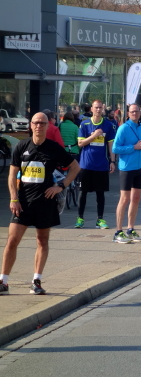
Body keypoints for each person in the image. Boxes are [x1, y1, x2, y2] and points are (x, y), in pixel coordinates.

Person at [0, 112, 80, 295]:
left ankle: (36, 281)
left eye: (42, 123)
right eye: (36, 123)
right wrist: (14, 199)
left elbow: (75, 168)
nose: (38, 126)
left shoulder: (54, 148)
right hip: (23, 203)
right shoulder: (22, 146)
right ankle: (3, 282)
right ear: (31, 125)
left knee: (42, 241)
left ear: (47, 126)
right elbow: (12, 175)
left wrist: (60, 186)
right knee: (12, 240)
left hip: (45, 202)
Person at [75, 100, 117, 230]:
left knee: (100, 193)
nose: (98, 110)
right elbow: (80, 144)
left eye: (100, 108)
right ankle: (80, 218)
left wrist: (112, 161)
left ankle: (100, 219)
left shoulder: (108, 125)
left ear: (103, 109)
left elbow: (110, 145)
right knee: (83, 192)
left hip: (101, 165)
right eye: (96, 107)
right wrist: (94, 135)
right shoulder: (85, 124)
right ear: (92, 109)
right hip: (86, 164)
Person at [112, 104, 141, 243]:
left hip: (139, 167)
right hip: (126, 168)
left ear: (140, 113)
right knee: (124, 199)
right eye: (132, 112)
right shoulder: (123, 128)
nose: (135, 113)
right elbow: (115, 148)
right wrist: (133, 147)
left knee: (136, 198)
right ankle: (118, 232)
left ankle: (130, 229)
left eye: (137, 111)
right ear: (128, 113)